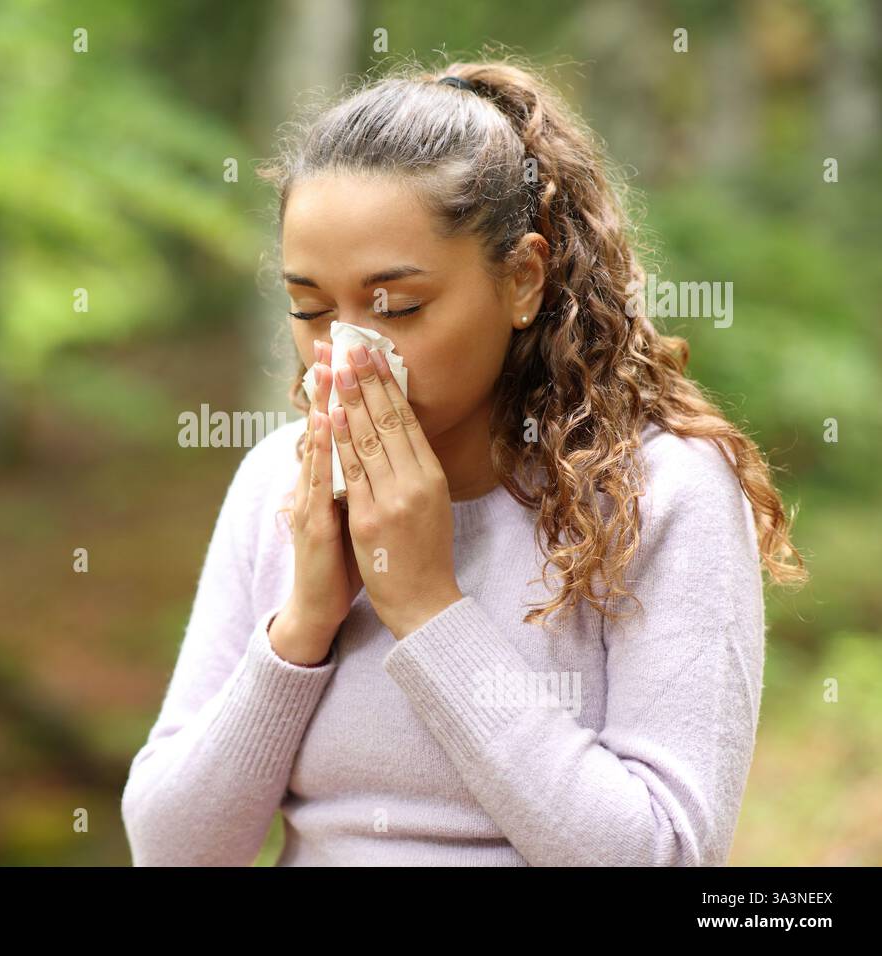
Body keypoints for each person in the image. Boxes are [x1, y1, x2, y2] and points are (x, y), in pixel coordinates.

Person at [120, 55, 807, 866]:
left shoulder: (662, 492)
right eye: (309, 308)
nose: (343, 352)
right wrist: (302, 625)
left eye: (398, 307)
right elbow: (171, 851)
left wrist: (427, 608)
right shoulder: (281, 482)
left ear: (521, 279)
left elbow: (664, 855)